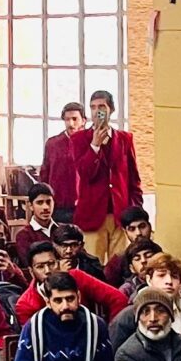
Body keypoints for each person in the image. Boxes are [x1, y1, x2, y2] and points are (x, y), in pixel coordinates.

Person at [8, 270, 110, 361]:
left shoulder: (96, 325)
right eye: (58, 300)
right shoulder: (34, 328)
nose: (65, 306)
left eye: (70, 299)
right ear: (48, 302)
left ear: (78, 297)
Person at [66, 89, 141, 250]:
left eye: (102, 107)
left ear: (111, 110)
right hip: (92, 215)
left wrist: (136, 211)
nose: (97, 111)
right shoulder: (78, 139)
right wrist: (95, 146)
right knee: (94, 265)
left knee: (120, 265)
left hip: (120, 215)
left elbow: (133, 179)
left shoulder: (124, 139)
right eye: (93, 107)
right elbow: (85, 173)